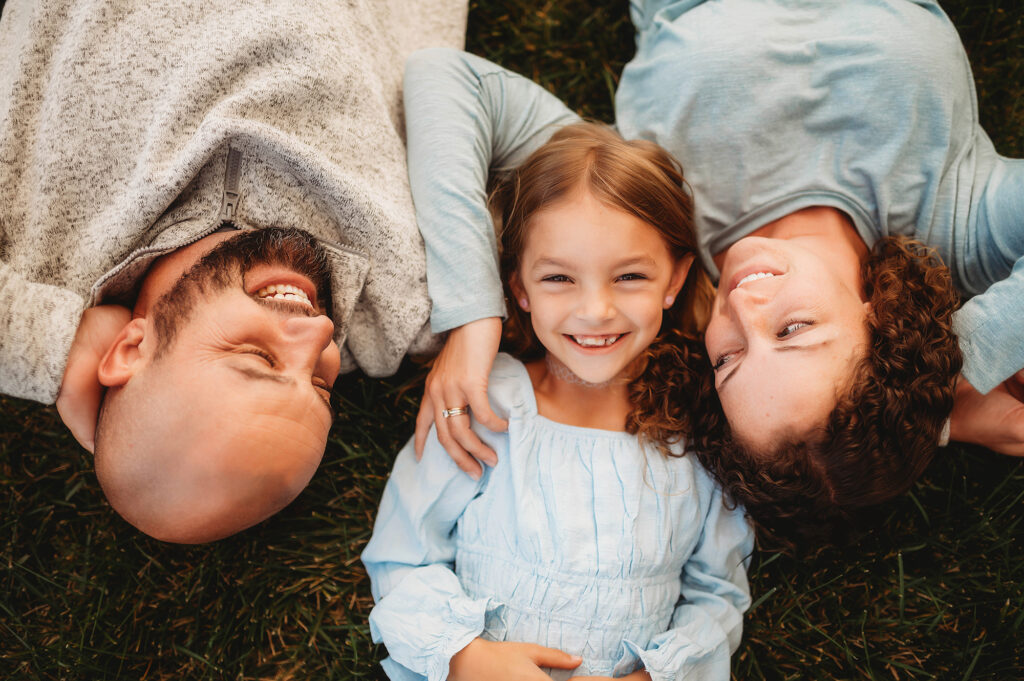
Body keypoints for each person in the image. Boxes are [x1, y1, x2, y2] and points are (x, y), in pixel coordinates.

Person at [400, 0, 1024, 546]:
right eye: (794, 330)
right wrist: (949, 381)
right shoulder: (956, 225)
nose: (743, 312)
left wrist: (473, 317)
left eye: (727, 362)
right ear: (882, 323)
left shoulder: (650, 219)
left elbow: (447, 81)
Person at [0, 0, 467, 543]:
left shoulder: (31, 239)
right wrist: (475, 327)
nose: (319, 334)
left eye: (258, 356)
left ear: (130, 349)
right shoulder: (402, 306)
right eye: (320, 384)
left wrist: (54, 346)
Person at [362, 123, 753, 681]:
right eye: (559, 278)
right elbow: (401, 554)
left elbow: (718, 592)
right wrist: (465, 657)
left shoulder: (698, 427)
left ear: (675, 279)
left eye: (630, 276)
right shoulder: (486, 404)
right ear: (518, 286)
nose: (595, 310)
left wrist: (659, 675)